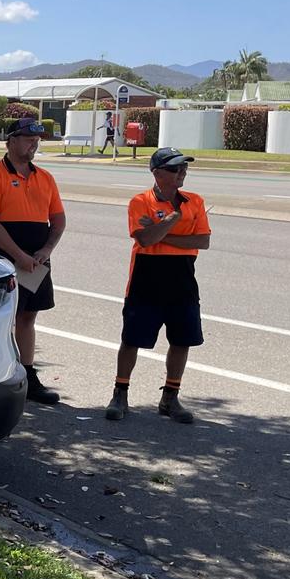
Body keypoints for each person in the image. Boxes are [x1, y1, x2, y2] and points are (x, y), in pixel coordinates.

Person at [105, 148, 210, 424]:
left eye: (184, 168)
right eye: (176, 169)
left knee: (182, 340)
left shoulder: (195, 201)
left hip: (182, 279)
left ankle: (170, 397)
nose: (182, 173)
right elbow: (144, 239)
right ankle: (120, 392)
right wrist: (173, 223)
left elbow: (202, 241)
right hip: (146, 279)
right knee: (131, 340)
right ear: (157, 173)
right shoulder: (140, 201)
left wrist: (163, 231)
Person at [0, 117, 67, 404]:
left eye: (37, 141)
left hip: (37, 261)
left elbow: (59, 219)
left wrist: (46, 251)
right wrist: (19, 256)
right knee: (3, 319)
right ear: (11, 140)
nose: (34, 146)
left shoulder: (45, 178)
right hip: (4, 258)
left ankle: (28, 375)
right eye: (28, 139)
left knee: (28, 317)